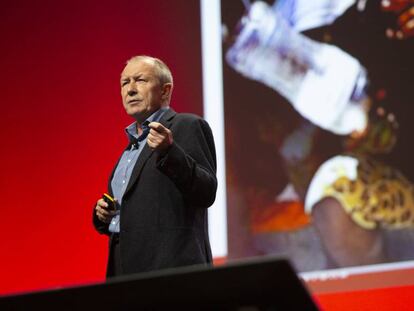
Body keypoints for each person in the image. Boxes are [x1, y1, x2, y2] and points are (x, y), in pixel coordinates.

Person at [92, 55, 217, 277]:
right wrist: (103, 215)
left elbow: (206, 192)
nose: (130, 90)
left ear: (165, 91)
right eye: (124, 83)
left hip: (171, 275)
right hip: (125, 275)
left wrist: (170, 151)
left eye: (140, 80)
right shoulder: (128, 151)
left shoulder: (186, 126)